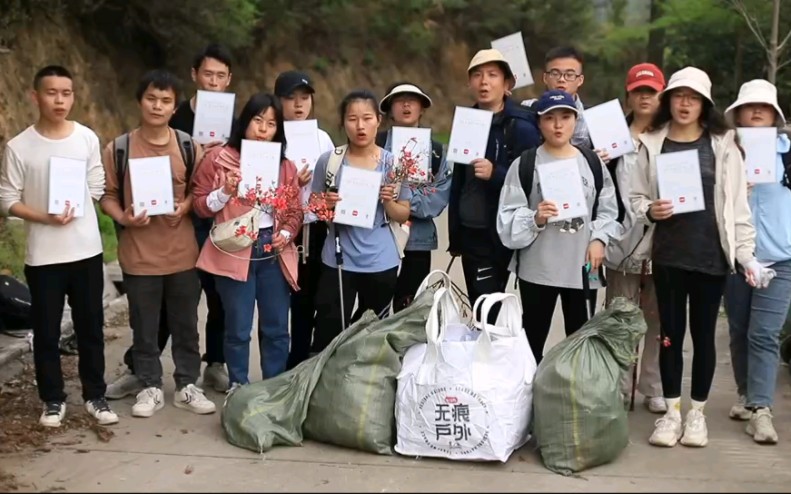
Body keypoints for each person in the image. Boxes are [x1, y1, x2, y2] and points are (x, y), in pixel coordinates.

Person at [630, 67, 769, 448]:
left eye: (693, 97)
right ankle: (671, 414)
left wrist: (746, 256)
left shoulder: (724, 145)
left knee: (704, 337)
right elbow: (636, 196)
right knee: (670, 336)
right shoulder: (652, 142)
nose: (685, 103)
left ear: (705, 104)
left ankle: (697, 415)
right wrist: (649, 211)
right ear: (669, 100)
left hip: (711, 257)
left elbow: (738, 209)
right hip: (669, 256)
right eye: (678, 96)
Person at [107, 43, 234, 397]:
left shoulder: (234, 124)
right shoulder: (172, 126)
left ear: (229, 80)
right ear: (195, 76)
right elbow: (111, 192)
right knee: (158, 308)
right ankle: (143, 373)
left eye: (220, 76)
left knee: (210, 304)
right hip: (161, 232)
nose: (213, 81)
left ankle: (208, 368)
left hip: (212, 224)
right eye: (207, 74)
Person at [0, 65, 118, 427]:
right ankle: (52, 399)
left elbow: (96, 179)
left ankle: (95, 396)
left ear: (73, 96)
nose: (59, 100)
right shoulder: (19, 146)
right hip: (44, 256)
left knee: (90, 328)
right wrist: (44, 216)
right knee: (47, 332)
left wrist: (81, 205)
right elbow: (6, 198)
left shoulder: (85, 138)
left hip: (85, 251)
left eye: (66, 93)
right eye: (51, 93)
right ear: (35, 96)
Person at [497, 89, 618, 363]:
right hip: (538, 269)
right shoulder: (525, 164)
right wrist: (535, 218)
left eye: (565, 117)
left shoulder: (591, 163)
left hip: (582, 266)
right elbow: (507, 217)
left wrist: (599, 239)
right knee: (532, 341)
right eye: (550, 118)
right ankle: (527, 399)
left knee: (579, 343)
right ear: (539, 123)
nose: (558, 124)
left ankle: (572, 399)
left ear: (576, 120)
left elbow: (608, 208)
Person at [192, 93, 302, 390]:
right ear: (244, 122)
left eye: (271, 123)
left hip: (272, 249)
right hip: (236, 248)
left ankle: (273, 390)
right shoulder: (219, 159)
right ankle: (238, 387)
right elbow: (200, 205)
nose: (263, 129)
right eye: (257, 120)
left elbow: (295, 212)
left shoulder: (285, 167)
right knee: (238, 328)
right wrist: (225, 192)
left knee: (277, 328)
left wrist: (286, 234)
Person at [310, 89, 412, 353]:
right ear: (343, 122)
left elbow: (403, 213)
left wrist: (388, 201)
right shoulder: (330, 161)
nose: (360, 126)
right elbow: (314, 205)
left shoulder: (393, 164)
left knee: (372, 335)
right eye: (352, 119)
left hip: (381, 261)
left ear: (378, 120)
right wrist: (327, 205)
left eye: (367, 118)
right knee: (328, 329)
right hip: (338, 259)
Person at [723, 79, 791, 444]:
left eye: (764, 108)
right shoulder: (725, 152)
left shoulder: (789, 153)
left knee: (764, 334)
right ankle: (747, 395)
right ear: (739, 114)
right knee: (739, 329)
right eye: (750, 108)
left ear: (774, 116)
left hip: (781, 257)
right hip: (737, 256)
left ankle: (762, 410)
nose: (757, 112)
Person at [448, 49, 541, 311]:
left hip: (504, 234)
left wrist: (496, 173)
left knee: (495, 310)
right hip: (472, 233)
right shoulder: (466, 121)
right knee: (481, 307)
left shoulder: (521, 126)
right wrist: (455, 236)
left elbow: (534, 179)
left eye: (492, 75)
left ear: (508, 84)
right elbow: (459, 181)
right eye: (477, 75)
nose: (484, 82)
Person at [604, 63, 666, 414]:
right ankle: (618, 382)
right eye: (639, 91)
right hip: (621, 243)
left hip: (662, 243)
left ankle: (652, 385)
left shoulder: (671, 137)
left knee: (657, 320)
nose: (645, 97)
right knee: (620, 317)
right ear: (628, 94)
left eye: (652, 91)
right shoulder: (611, 137)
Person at [273, 70, 335, 370]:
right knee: (276, 297)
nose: (299, 105)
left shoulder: (321, 137)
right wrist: (292, 183)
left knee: (307, 295)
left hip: (314, 226)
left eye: (304, 98)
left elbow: (334, 177)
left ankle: (299, 358)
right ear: (279, 102)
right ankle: (278, 359)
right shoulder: (271, 136)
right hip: (279, 227)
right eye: (291, 98)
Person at [376, 82, 452, 312]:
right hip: (376, 239)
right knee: (373, 309)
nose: (406, 105)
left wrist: (402, 200)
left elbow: (437, 198)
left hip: (418, 241)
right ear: (389, 109)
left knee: (408, 309)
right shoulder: (374, 144)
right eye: (399, 100)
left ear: (422, 108)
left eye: (413, 100)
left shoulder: (438, 152)